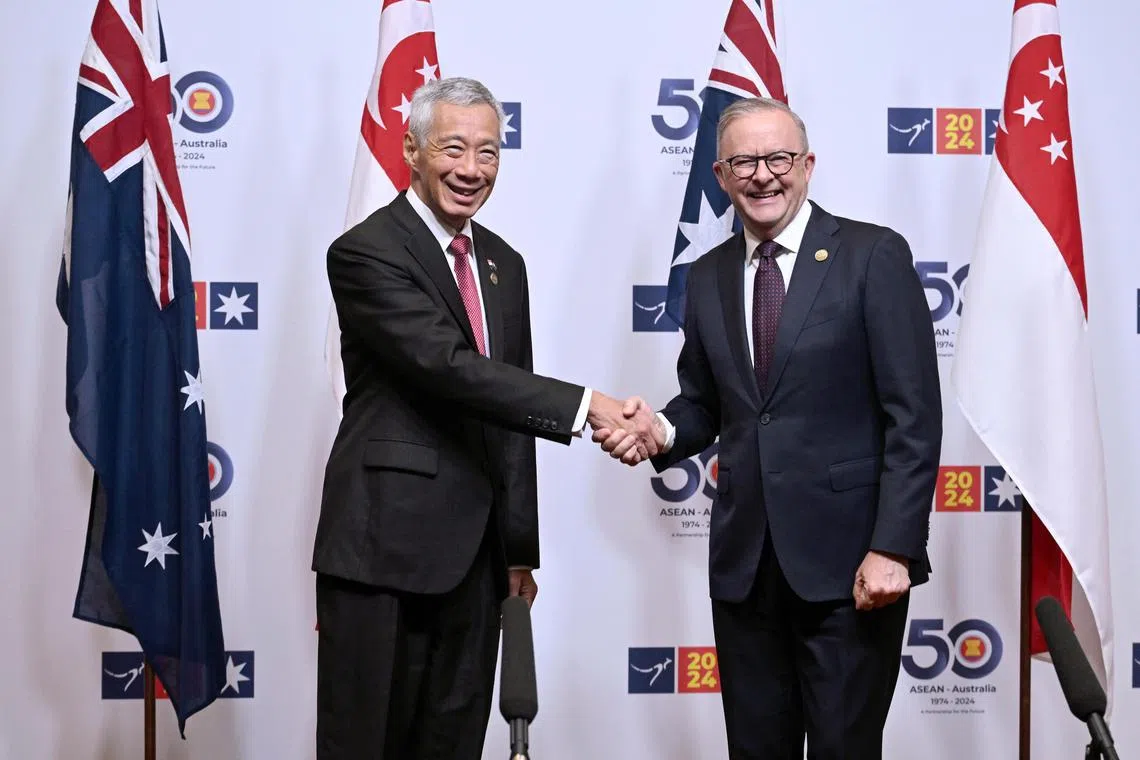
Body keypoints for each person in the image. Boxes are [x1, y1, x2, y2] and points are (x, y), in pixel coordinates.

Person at [313, 76, 657, 760]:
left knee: (456, 742)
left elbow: (510, 412)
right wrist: (588, 406)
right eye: (453, 149)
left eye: (488, 152)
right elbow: (448, 367)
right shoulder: (365, 251)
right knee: (367, 742)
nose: (471, 169)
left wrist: (519, 549)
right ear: (411, 150)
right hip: (383, 548)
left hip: (477, 561)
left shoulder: (503, 263)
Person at [598, 97, 942, 759]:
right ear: (721, 176)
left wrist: (894, 549)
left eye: (778, 158)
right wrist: (659, 432)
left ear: (807, 165)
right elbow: (706, 403)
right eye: (744, 163)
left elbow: (914, 418)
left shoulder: (872, 255)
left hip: (851, 571)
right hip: (746, 572)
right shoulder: (706, 275)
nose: (763, 175)